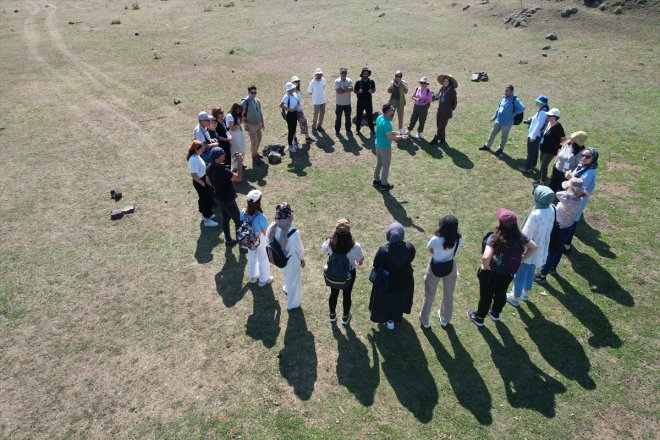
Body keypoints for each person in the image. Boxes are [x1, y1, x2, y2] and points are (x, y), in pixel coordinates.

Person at [467, 208, 537, 327]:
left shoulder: (495, 238)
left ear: (501, 224)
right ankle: (495, 313)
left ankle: (479, 318)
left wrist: (485, 268)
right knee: (501, 292)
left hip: (492, 273)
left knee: (486, 295)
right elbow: (534, 247)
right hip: (509, 272)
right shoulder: (520, 236)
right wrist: (521, 259)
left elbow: (486, 257)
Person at [507, 186, 555, 306]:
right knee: (531, 271)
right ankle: (525, 292)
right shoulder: (552, 209)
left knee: (520, 273)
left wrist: (519, 250)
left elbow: (525, 235)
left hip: (529, 249)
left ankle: (515, 297)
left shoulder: (536, 214)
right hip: (541, 247)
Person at [535, 178, 586, 284]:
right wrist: (572, 188)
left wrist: (569, 188)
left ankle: (542, 275)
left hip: (559, 228)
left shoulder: (567, 199)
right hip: (568, 227)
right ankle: (553, 268)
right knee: (559, 249)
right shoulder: (578, 199)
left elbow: (558, 193)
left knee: (552, 251)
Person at [369, 222, 416, 330]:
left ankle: (386, 319)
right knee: (398, 301)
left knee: (385, 302)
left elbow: (376, 264)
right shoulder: (409, 247)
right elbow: (411, 258)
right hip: (404, 281)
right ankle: (394, 318)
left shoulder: (383, 250)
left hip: (386, 283)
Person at [420, 215, 464, 329]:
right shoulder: (460, 239)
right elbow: (455, 251)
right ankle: (445, 319)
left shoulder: (436, 239)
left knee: (429, 295)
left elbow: (429, 248)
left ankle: (425, 321)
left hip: (434, 268)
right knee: (449, 294)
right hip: (450, 267)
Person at [321, 219, 364, 325]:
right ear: (349, 231)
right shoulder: (356, 246)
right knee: (347, 295)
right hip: (349, 274)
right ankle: (345, 317)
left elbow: (324, 250)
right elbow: (360, 260)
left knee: (333, 293)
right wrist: (358, 263)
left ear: (336, 230)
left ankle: (332, 315)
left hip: (333, 272)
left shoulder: (329, 242)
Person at [266, 203, 305, 310]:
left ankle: (287, 288)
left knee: (288, 277)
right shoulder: (294, 233)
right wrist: (302, 259)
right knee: (295, 283)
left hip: (280, 260)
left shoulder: (271, 227)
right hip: (292, 262)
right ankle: (293, 304)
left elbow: (268, 241)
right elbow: (299, 250)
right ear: (289, 217)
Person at [563, 148, 600, 253]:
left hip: (576, 201)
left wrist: (570, 177)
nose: (583, 158)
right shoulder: (583, 167)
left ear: (593, 159)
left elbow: (579, 189)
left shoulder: (589, 173)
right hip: (572, 198)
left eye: (587, 157)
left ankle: (566, 246)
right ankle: (566, 244)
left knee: (571, 222)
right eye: (582, 155)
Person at [206, 147, 243, 246]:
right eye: (222, 154)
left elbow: (208, 181)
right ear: (217, 157)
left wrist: (217, 186)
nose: (224, 155)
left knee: (225, 220)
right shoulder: (223, 171)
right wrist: (239, 163)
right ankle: (241, 244)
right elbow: (238, 178)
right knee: (239, 221)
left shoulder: (209, 167)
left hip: (219, 198)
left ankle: (228, 240)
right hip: (228, 200)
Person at [478, 84, 525, 156]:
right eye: (505, 91)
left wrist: (514, 113)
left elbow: (522, 108)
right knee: (492, 133)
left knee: (504, 136)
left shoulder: (515, 99)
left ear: (512, 91)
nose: (505, 92)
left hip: (507, 122)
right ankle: (487, 146)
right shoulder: (503, 98)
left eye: (507, 91)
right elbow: (498, 108)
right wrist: (494, 116)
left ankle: (500, 149)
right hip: (499, 120)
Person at [373, 103, 409, 191]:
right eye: (392, 109)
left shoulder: (380, 117)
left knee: (379, 163)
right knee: (386, 165)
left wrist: (393, 132)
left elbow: (385, 132)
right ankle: (384, 184)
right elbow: (391, 137)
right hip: (384, 147)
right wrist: (401, 137)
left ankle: (376, 180)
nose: (393, 111)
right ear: (388, 111)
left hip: (378, 144)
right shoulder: (387, 123)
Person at [241, 190, 272, 286]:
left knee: (252, 256)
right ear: (258, 202)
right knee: (263, 258)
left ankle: (253, 277)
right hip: (260, 239)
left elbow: (242, 222)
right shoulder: (260, 217)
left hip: (248, 239)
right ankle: (264, 279)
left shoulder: (243, 212)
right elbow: (266, 232)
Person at [186, 140, 217, 227]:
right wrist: (202, 183)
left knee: (208, 198)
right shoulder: (193, 159)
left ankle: (207, 214)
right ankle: (207, 220)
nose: (203, 149)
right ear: (196, 149)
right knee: (206, 199)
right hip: (200, 181)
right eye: (202, 148)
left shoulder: (197, 155)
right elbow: (193, 174)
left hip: (203, 179)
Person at [518, 95, 549, 173]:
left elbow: (539, 125)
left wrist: (533, 136)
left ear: (542, 103)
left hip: (535, 135)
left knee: (530, 152)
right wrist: (531, 119)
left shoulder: (542, 112)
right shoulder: (543, 110)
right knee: (534, 151)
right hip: (537, 135)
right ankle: (533, 164)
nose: (536, 103)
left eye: (538, 102)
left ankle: (527, 168)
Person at [537, 108, 566, 185]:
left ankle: (542, 182)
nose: (547, 116)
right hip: (543, 147)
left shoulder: (558, 126)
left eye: (549, 115)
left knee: (544, 165)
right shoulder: (548, 123)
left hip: (551, 150)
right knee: (542, 164)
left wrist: (555, 142)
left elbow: (563, 138)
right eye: (547, 115)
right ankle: (541, 178)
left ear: (555, 117)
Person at [241, 85, 266, 166]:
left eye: (255, 92)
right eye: (252, 93)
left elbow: (260, 112)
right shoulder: (245, 102)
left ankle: (255, 153)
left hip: (258, 123)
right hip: (251, 125)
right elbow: (241, 114)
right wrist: (245, 124)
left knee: (259, 139)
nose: (254, 94)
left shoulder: (257, 101)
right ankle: (254, 156)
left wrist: (262, 123)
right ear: (248, 93)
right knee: (254, 142)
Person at [430, 74, 458, 144]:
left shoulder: (452, 91)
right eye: (444, 81)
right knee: (439, 125)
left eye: (447, 82)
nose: (445, 83)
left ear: (449, 83)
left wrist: (451, 109)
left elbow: (454, 102)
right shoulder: (442, 88)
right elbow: (438, 96)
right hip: (440, 110)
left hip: (446, 111)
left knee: (441, 126)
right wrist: (433, 98)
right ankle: (442, 139)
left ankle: (436, 140)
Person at [354, 67, 376, 134]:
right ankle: (357, 129)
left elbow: (374, 89)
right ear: (362, 74)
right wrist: (358, 92)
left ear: (368, 74)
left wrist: (372, 91)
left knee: (370, 116)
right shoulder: (358, 82)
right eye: (364, 73)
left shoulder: (371, 82)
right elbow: (354, 90)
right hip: (360, 102)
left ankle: (372, 129)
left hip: (368, 102)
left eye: (367, 73)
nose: (366, 75)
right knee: (359, 116)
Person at [226, 103, 247, 171]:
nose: (239, 111)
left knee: (243, 148)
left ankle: (240, 163)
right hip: (233, 134)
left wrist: (241, 119)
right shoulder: (230, 116)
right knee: (236, 150)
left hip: (239, 133)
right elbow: (232, 128)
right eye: (238, 110)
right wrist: (239, 123)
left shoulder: (238, 115)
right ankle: (235, 167)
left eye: (240, 110)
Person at [280, 82, 300, 153]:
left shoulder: (295, 94)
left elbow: (298, 102)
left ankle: (291, 144)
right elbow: (281, 104)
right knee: (291, 130)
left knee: (294, 129)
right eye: (292, 88)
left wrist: (296, 107)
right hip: (290, 114)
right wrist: (289, 109)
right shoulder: (286, 96)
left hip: (294, 113)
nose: (293, 88)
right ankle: (290, 146)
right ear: (289, 89)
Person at [291, 76, 311, 143]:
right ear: (292, 82)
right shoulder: (290, 92)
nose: (297, 83)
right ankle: (294, 138)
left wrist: (299, 105)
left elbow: (300, 101)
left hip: (299, 110)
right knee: (293, 125)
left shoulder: (299, 90)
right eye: (295, 81)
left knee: (304, 123)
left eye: (298, 81)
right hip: (292, 111)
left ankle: (307, 137)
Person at [334, 68, 353, 136]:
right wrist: (347, 89)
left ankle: (348, 130)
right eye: (342, 73)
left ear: (346, 73)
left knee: (348, 118)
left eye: (345, 73)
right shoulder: (337, 81)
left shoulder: (349, 80)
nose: (344, 74)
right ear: (340, 74)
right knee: (338, 118)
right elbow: (338, 91)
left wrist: (343, 89)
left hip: (347, 103)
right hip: (339, 103)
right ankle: (337, 131)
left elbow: (351, 89)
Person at [307, 68, 327, 132]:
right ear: (315, 75)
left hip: (323, 100)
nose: (319, 75)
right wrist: (315, 96)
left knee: (322, 114)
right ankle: (313, 127)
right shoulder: (312, 82)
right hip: (316, 101)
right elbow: (310, 91)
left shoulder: (324, 80)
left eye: (320, 74)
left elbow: (324, 87)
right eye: (318, 74)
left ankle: (319, 126)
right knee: (315, 114)